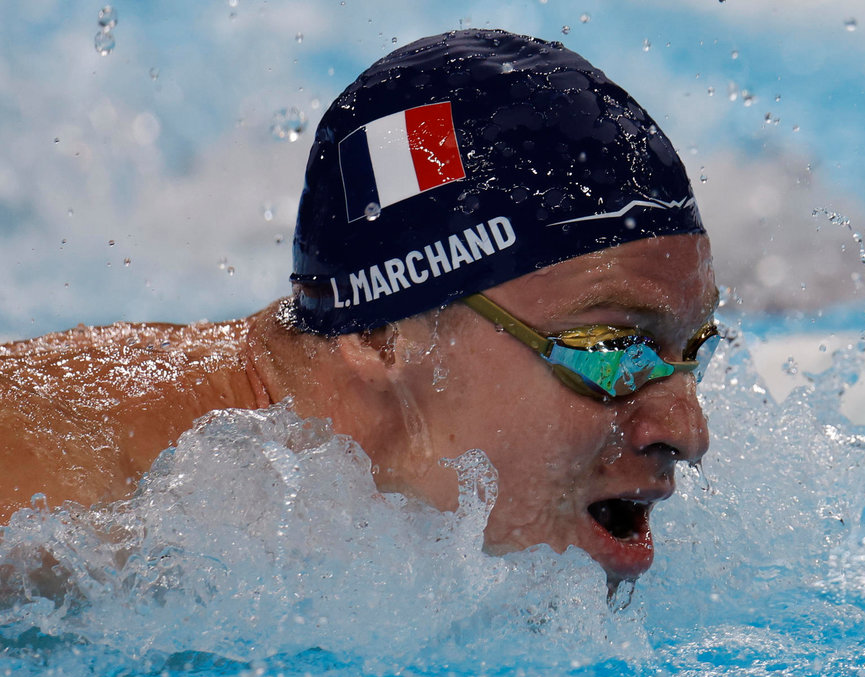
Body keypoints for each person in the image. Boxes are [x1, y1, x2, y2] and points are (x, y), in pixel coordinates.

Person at [0, 29, 719, 588]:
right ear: (379, 335)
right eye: (607, 347)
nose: (686, 432)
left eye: (693, 350)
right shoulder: (59, 523)